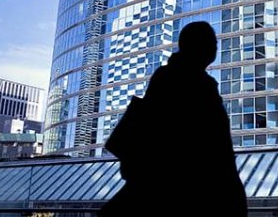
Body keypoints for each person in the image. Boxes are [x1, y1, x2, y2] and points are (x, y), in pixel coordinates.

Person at [101, 21, 247, 216]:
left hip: (154, 185)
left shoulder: (163, 76)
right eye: (212, 43)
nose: (215, 48)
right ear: (200, 47)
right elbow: (218, 147)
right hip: (186, 189)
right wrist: (233, 193)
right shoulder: (202, 86)